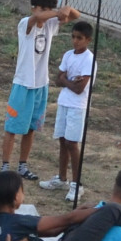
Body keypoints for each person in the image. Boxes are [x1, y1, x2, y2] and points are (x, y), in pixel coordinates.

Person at [1, 0, 76, 179]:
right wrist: (57, 12)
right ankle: (5, 166)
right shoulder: (26, 23)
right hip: (23, 84)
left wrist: (67, 9)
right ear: (33, 8)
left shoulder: (50, 25)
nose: (46, 13)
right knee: (12, 127)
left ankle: (22, 165)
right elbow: (39, 17)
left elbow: (75, 16)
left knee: (31, 128)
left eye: (49, 9)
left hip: (41, 84)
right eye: (43, 9)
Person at [47, 21, 97, 193]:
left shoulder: (89, 60)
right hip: (64, 102)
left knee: (72, 143)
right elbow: (57, 79)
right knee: (62, 140)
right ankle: (62, 178)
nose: (75, 41)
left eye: (79, 38)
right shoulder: (68, 55)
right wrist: (68, 80)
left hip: (77, 105)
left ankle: (76, 184)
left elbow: (79, 88)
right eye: (73, 37)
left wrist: (65, 80)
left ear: (88, 40)